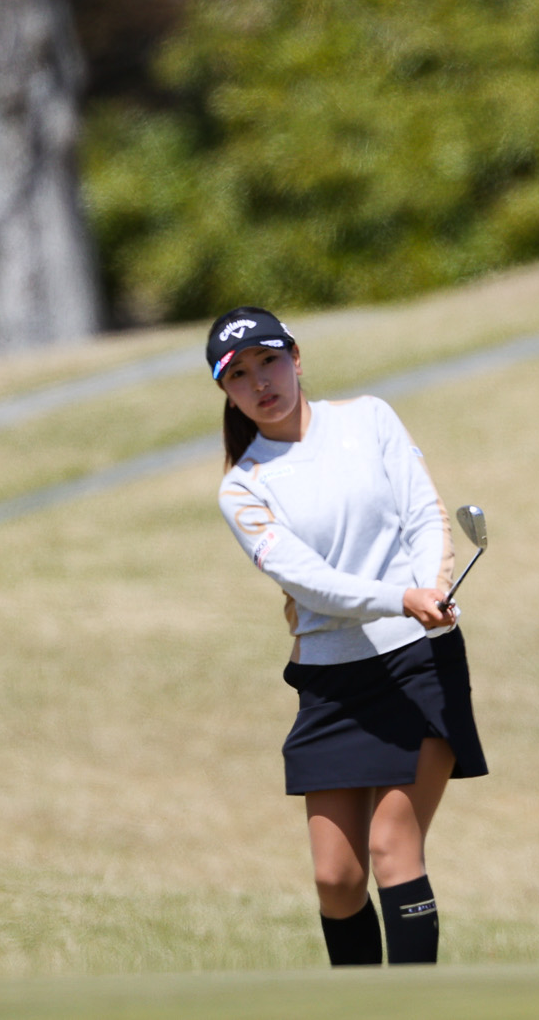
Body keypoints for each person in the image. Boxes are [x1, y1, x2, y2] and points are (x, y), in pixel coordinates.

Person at [208, 305, 488, 967]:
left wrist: (429, 586)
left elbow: (423, 512)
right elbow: (309, 583)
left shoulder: (369, 418)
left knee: (394, 846)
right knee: (337, 880)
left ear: (296, 356)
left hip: (418, 662)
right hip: (333, 681)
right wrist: (400, 596)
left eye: (269, 361)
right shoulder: (243, 487)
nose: (260, 383)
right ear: (226, 391)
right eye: (239, 375)